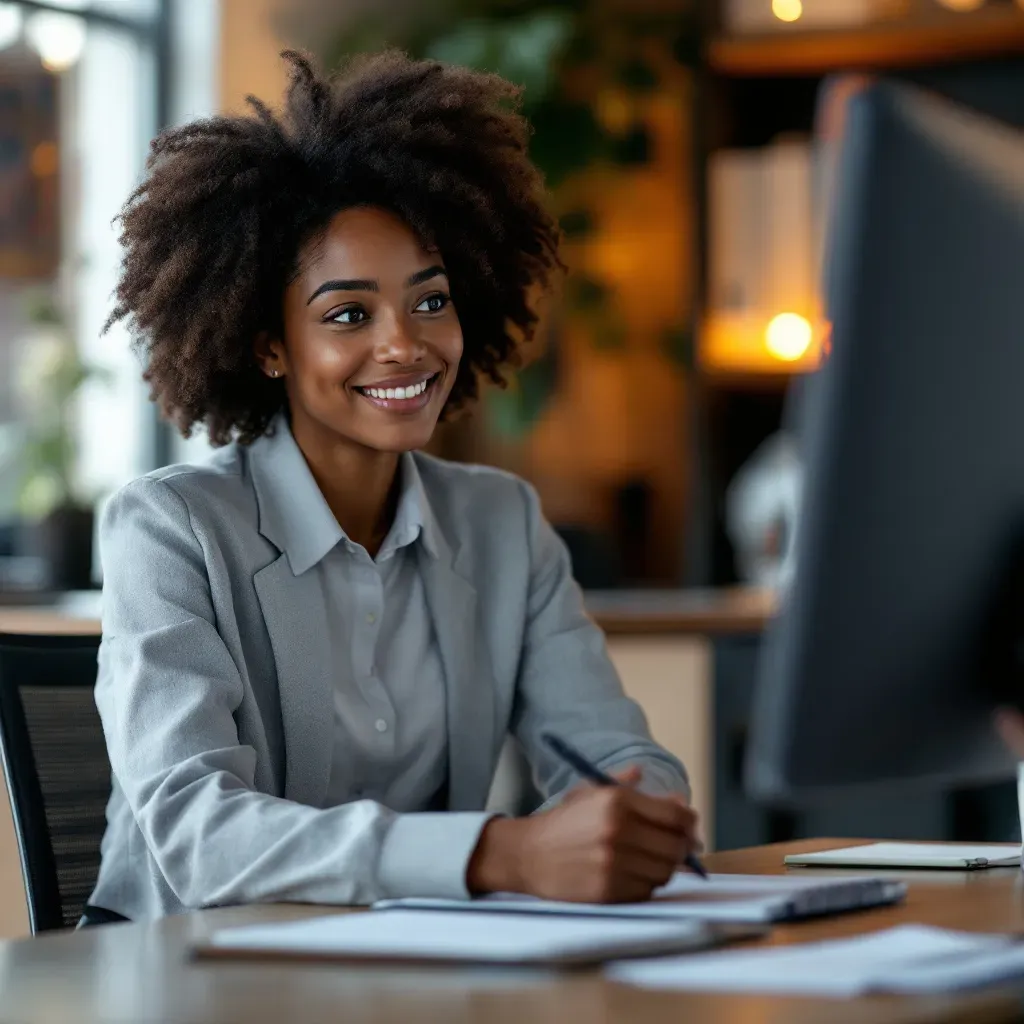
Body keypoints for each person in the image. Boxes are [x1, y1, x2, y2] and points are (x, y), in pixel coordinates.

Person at [84, 50, 701, 924]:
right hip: (189, 970)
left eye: (430, 300)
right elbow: (197, 835)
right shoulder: (170, 529)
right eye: (347, 315)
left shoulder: (501, 523)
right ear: (268, 346)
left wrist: (637, 813)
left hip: (413, 963)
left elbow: (612, 748)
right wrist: (501, 853)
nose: (405, 345)